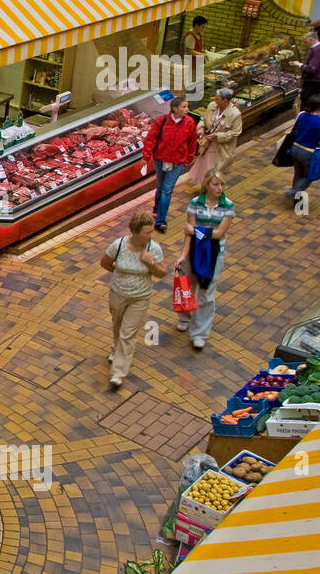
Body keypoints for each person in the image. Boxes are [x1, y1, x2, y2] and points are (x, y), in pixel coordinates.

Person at [100, 211, 167, 390]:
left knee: (128, 333)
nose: (150, 235)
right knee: (117, 325)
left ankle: (118, 373)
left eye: (151, 231)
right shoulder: (119, 245)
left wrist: (150, 263)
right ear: (134, 232)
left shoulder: (154, 249)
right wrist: (120, 274)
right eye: (146, 232)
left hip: (140, 297)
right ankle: (116, 349)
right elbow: (105, 263)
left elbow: (161, 273)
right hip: (117, 294)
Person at [173, 172, 234, 350]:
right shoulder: (194, 204)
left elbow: (219, 234)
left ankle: (199, 333)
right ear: (207, 185)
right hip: (194, 251)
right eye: (215, 184)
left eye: (221, 184)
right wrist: (184, 255)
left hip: (215, 253)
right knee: (188, 286)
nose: (219, 188)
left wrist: (195, 231)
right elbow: (188, 233)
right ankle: (185, 317)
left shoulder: (228, 206)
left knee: (206, 293)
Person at [141, 94, 198, 233]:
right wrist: (146, 156)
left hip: (177, 163)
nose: (187, 109)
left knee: (167, 190)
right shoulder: (162, 120)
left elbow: (192, 142)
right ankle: (156, 209)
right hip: (160, 159)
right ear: (174, 109)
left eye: (187, 107)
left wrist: (188, 159)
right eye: (184, 107)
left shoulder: (190, 123)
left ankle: (160, 220)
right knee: (160, 186)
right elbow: (151, 138)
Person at [187, 88, 242, 186]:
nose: (215, 100)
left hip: (221, 147)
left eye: (217, 99)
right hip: (207, 144)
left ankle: (212, 189)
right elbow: (203, 118)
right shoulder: (212, 106)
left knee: (216, 170)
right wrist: (201, 127)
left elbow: (235, 132)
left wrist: (217, 135)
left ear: (225, 100)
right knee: (205, 168)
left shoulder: (235, 114)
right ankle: (206, 188)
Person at [285, 95, 320, 202]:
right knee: (313, 174)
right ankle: (294, 191)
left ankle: (296, 198)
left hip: (295, 148)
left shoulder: (301, 115)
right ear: (319, 107)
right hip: (308, 152)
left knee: (298, 173)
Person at [299, 32, 320, 108]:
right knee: (308, 105)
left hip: (313, 83)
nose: (305, 44)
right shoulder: (319, 49)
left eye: (306, 42)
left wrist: (299, 65)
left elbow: (312, 68)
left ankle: (304, 119)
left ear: (311, 40)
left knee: (307, 106)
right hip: (315, 82)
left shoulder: (318, 50)